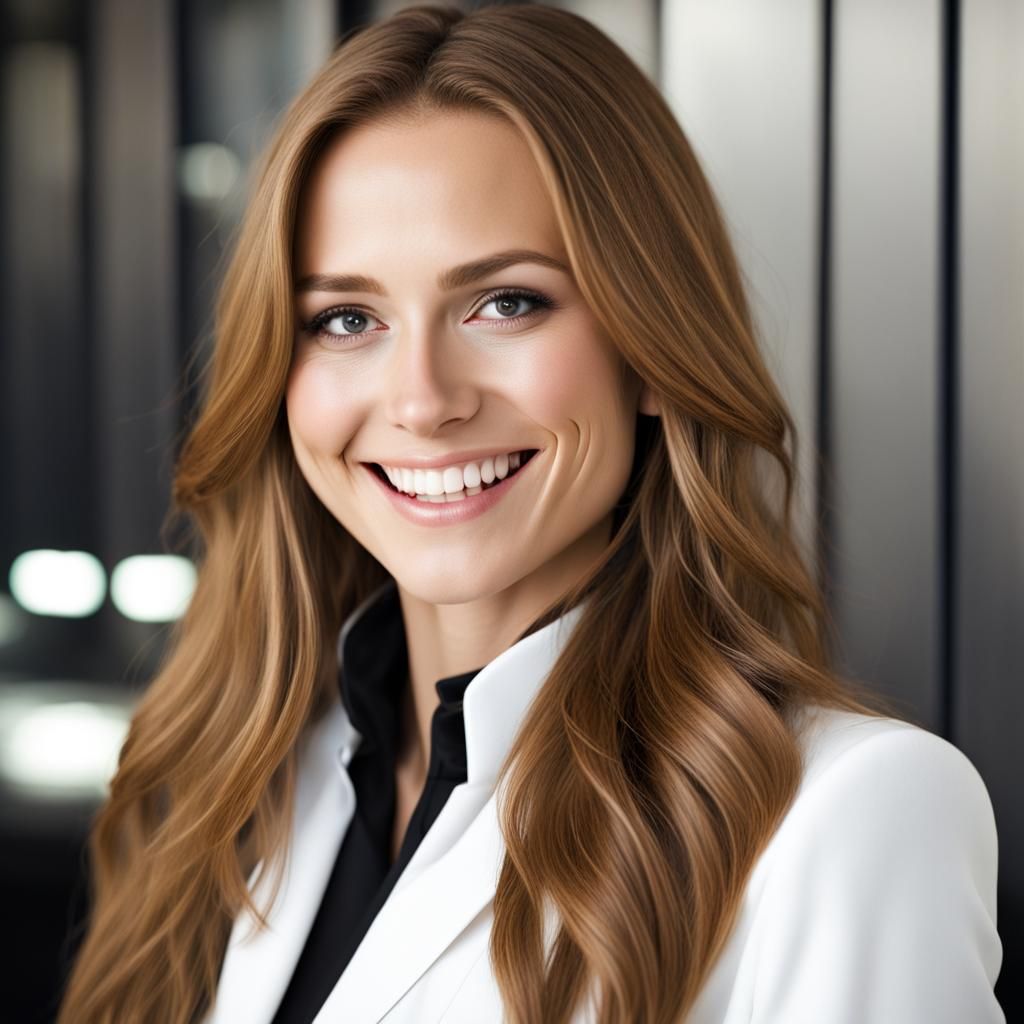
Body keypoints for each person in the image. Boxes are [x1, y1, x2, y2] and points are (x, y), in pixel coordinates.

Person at [57, 5, 1004, 1023]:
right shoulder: (240, 778)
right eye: (346, 319)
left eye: (505, 302)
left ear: (649, 347)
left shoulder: (850, 813)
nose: (422, 399)